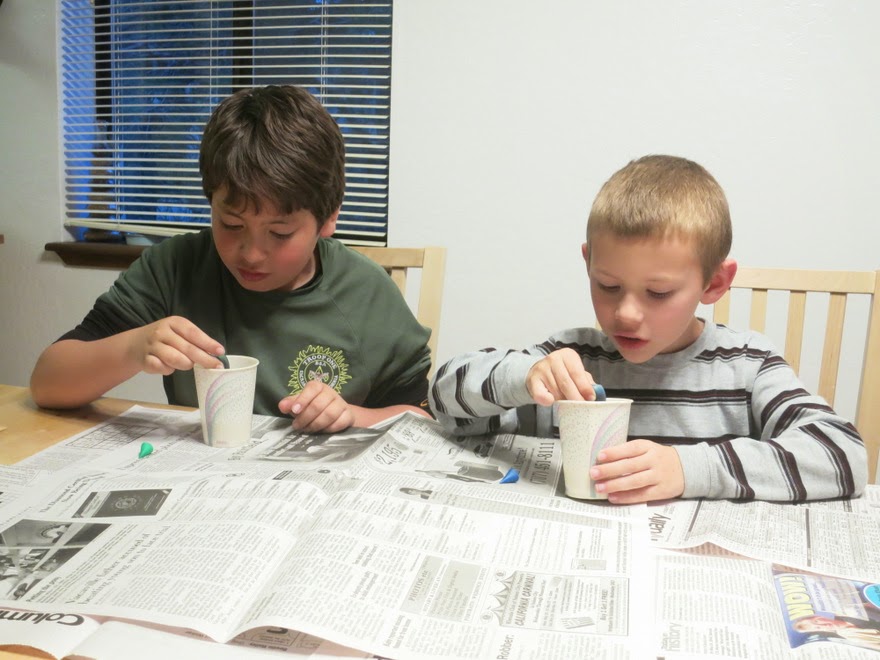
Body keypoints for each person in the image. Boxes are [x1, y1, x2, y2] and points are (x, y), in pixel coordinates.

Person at [428, 155, 867, 504]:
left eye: (658, 293)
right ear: (588, 262)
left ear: (714, 283)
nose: (626, 314)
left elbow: (843, 454)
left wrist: (689, 469)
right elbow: (444, 405)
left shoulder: (746, 366)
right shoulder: (573, 361)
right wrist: (522, 377)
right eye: (608, 285)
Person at [31, 85, 432, 433]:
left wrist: (351, 415)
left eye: (280, 233)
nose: (252, 254)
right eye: (231, 224)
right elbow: (48, 385)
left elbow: (421, 417)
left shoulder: (366, 293)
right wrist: (132, 348)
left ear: (328, 219)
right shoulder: (176, 267)